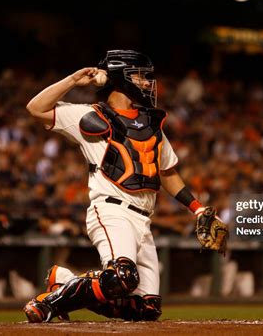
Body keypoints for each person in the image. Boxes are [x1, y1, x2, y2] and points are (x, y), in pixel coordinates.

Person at [23, 50, 228, 322]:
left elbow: (166, 172)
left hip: (144, 219)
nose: (147, 83)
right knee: (122, 275)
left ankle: (65, 282)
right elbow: (35, 108)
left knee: (146, 310)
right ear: (122, 78)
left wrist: (198, 208)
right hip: (111, 210)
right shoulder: (90, 115)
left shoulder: (151, 123)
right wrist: (74, 79)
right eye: (141, 76)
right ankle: (50, 302)